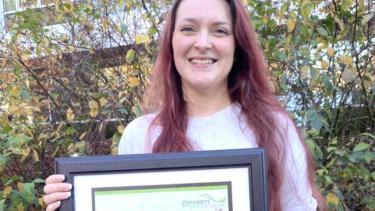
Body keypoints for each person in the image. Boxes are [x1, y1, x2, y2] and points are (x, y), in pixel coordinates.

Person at [43, 0, 327, 210]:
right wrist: (70, 200)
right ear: (171, 42)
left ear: (237, 44)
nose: (203, 43)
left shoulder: (275, 128)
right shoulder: (139, 135)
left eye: (219, 30)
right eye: (189, 28)